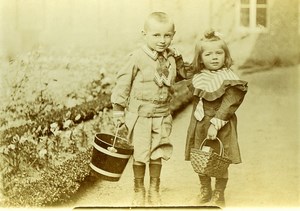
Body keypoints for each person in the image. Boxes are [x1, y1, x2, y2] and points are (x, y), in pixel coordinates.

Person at [111, 12, 190, 206]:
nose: (162, 41)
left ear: (173, 35)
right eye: (156, 35)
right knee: (140, 153)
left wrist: (179, 61)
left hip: (162, 114)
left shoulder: (171, 58)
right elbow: (123, 84)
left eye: (167, 35)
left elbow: (180, 76)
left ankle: (154, 189)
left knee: (158, 151)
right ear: (144, 34)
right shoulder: (137, 57)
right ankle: (139, 190)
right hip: (140, 115)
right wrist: (118, 111)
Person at [184, 29, 248, 208]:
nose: (214, 57)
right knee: (200, 155)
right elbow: (182, 71)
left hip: (221, 123)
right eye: (208, 53)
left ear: (225, 55)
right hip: (200, 122)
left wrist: (216, 123)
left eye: (219, 53)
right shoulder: (200, 76)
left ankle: (219, 193)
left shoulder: (228, 77)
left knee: (220, 158)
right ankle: (205, 190)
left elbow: (229, 104)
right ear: (200, 58)